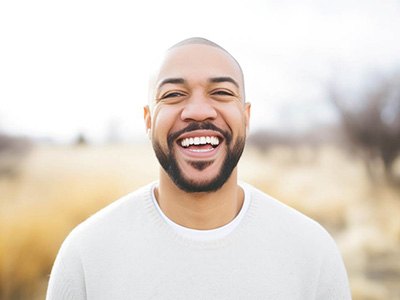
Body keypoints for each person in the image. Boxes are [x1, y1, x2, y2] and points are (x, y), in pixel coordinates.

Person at [46, 37, 351, 299]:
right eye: (174, 95)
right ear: (148, 120)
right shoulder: (86, 254)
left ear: (246, 117)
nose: (198, 111)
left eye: (221, 92)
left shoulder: (312, 251)